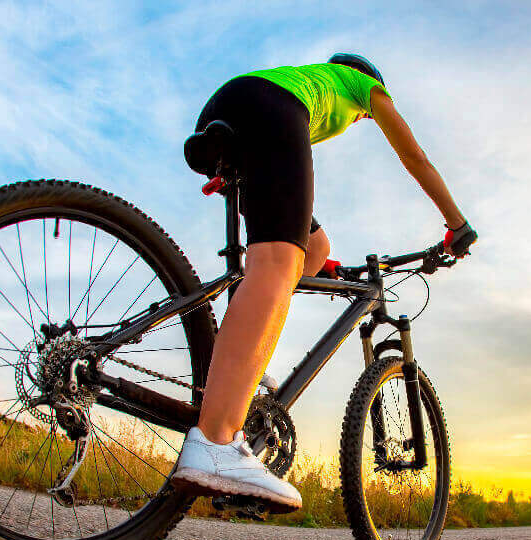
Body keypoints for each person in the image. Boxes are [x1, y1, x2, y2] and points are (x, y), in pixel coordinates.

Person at [171, 53, 476, 512]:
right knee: (276, 262)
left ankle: (240, 374)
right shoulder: (365, 88)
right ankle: (215, 441)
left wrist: (317, 265)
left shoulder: (314, 79)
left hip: (228, 106)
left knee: (307, 250)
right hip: (270, 110)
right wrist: (456, 224)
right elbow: (416, 157)